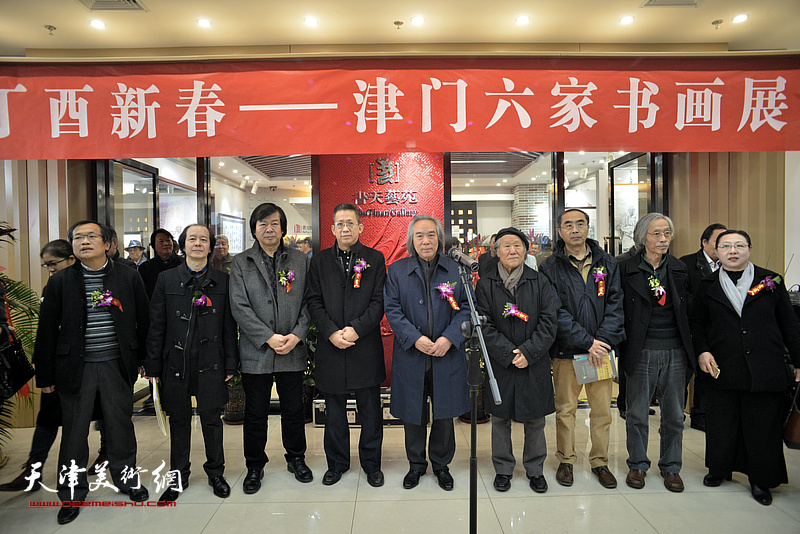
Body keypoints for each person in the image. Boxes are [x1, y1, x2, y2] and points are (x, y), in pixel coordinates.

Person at [33, 221, 150, 524]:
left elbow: (144, 320)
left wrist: (146, 361)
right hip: (75, 368)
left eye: (91, 237)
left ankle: (127, 479)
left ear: (108, 243)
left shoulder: (128, 276)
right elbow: (45, 331)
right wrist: (44, 375)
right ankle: (71, 493)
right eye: (78, 238)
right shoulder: (60, 282)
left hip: (116, 363)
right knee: (73, 432)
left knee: (120, 425)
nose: (84, 242)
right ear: (71, 245)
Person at [689, 229, 800, 506]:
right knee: (722, 422)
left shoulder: (770, 280)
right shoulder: (707, 284)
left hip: (764, 365)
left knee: (762, 425)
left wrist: (799, 362)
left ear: (749, 249)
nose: (732, 251)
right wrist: (702, 351)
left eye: (739, 245)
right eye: (725, 246)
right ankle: (719, 469)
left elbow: (789, 324)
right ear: (716, 251)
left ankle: (761, 479)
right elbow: (697, 324)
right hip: (722, 365)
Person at [0, 240, 113, 491]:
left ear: (72, 260)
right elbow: (47, 332)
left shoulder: (98, 284)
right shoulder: (52, 287)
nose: (49, 269)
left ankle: (106, 453)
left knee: (103, 411)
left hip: (93, 362)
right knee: (48, 417)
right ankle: (33, 470)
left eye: (53, 263)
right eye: (46, 265)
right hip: (61, 365)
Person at [144, 224, 238, 502]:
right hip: (176, 361)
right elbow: (156, 324)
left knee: (212, 420)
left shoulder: (223, 281)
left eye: (204, 240)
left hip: (212, 361)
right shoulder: (166, 279)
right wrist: (152, 366)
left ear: (211, 247)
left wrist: (231, 364)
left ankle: (216, 473)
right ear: (182, 245)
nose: (198, 244)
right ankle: (178, 476)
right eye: (192, 239)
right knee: (179, 421)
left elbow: (229, 327)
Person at [229, 202, 313, 494]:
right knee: (255, 412)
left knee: (293, 409)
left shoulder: (300, 260)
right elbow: (239, 306)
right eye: (263, 224)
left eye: (274, 223)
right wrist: (267, 337)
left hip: (292, 347)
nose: (269, 229)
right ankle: (254, 464)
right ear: (254, 228)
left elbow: (308, 302)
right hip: (257, 350)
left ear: (283, 228)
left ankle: (296, 458)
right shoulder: (241, 262)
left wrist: (296, 334)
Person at [540, 209, 625, 490]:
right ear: (560, 231)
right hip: (567, 351)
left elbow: (616, 305)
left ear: (588, 227)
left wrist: (600, 342)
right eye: (568, 225)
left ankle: (600, 461)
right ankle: (566, 460)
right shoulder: (549, 267)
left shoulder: (608, 263)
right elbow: (555, 311)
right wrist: (586, 341)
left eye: (580, 224)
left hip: (600, 351)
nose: (575, 229)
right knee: (565, 410)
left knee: (602, 411)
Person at [384, 214, 470, 491]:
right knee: (413, 412)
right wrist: (415, 338)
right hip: (412, 354)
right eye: (419, 235)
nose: (425, 240)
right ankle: (416, 465)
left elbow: (468, 308)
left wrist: (449, 338)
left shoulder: (456, 271)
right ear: (411, 240)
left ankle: (441, 465)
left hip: (447, 354)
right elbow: (392, 310)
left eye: (431, 235)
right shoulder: (397, 271)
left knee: (444, 413)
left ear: (440, 238)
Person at [306, 203, 387, 487]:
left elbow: (379, 302)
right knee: (335, 411)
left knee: (370, 411)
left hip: (364, 346)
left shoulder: (375, 259)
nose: (345, 228)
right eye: (339, 223)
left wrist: (356, 330)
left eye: (350, 223)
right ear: (331, 229)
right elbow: (313, 301)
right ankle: (337, 463)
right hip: (331, 347)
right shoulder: (319, 261)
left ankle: (371, 464)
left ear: (360, 227)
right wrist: (330, 332)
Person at [476, 227, 558, 493]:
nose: (512, 250)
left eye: (517, 246)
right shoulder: (485, 283)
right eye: (506, 246)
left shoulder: (540, 281)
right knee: (500, 419)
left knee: (535, 419)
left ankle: (535, 469)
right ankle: (503, 468)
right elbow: (483, 324)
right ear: (496, 251)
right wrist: (509, 354)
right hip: (501, 363)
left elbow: (549, 321)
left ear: (527, 250)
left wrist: (529, 352)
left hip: (534, 362)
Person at [618, 213, 694, 493]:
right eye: (656, 234)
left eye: (667, 234)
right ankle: (637, 464)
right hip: (641, 349)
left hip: (675, 350)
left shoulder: (678, 267)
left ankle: (671, 467)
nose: (663, 239)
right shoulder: (625, 268)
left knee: (674, 414)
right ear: (642, 237)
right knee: (637, 412)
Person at [679, 223, 727, 432]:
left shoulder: (729, 265)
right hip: (689, 327)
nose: (723, 247)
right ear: (704, 242)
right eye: (718, 242)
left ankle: (701, 415)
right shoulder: (686, 264)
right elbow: (682, 297)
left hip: (715, 330)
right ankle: (675, 414)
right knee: (683, 374)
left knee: (707, 373)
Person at [138, 228, 184, 298]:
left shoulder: (184, 263)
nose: (165, 244)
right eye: (161, 241)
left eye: (168, 240)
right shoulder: (145, 267)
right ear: (154, 245)